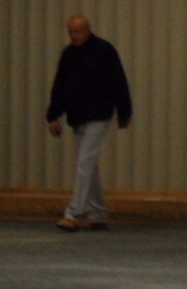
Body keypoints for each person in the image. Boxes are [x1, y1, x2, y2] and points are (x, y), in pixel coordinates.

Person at [45, 14, 132, 232]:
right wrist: (53, 115)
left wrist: (124, 110)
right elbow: (59, 87)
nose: (74, 36)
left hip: (100, 114)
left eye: (77, 32)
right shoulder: (68, 55)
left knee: (84, 162)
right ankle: (98, 213)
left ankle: (72, 213)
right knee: (88, 165)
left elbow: (118, 81)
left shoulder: (105, 51)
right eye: (70, 33)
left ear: (86, 30)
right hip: (77, 116)